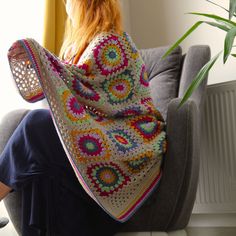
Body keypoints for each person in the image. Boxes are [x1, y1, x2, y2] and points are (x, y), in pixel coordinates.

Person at [0, 0, 167, 235]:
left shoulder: (115, 42)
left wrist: (35, 53)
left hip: (125, 152)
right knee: (41, 165)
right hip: (89, 154)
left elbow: (81, 91)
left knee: (36, 125)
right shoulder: (78, 49)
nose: (67, 6)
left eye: (70, 1)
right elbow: (72, 100)